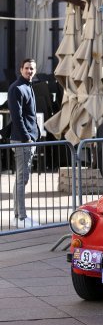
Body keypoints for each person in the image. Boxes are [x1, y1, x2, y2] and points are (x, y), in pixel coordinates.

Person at [8, 58, 40, 228]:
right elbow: (17, 117)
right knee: (22, 179)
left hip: (27, 138)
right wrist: (27, 137)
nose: (29, 71)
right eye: (27, 68)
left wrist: (37, 132)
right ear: (21, 69)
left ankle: (17, 216)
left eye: (32, 68)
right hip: (23, 140)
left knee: (20, 179)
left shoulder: (28, 86)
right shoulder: (17, 88)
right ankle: (21, 217)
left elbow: (30, 115)